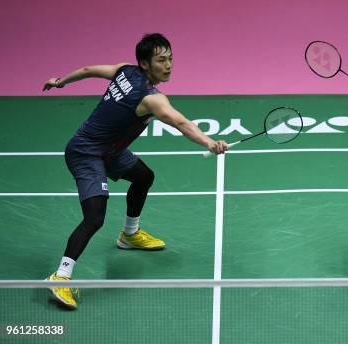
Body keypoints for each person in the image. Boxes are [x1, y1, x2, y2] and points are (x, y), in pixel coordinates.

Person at [42, 33, 228, 309]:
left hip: (111, 150)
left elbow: (86, 70)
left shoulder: (123, 70)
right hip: (86, 152)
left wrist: (60, 81)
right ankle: (61, 276)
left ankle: (129, 235)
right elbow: (181, 122)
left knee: (144, 176)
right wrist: (210, 143)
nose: (169, 66)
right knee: (94, 218)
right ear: (144, 63)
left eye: (170, 59)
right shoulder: (152, 99)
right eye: (161, 60)